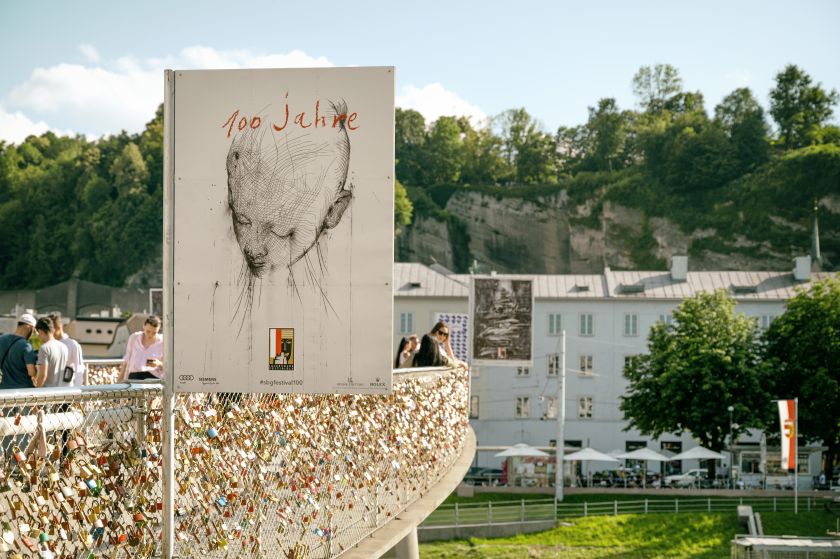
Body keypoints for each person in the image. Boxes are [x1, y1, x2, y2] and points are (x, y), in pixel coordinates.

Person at [0, 313, 38, 389]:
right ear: (29, 327)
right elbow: (31, 372)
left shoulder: (1, 339)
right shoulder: (26, 345)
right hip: (23, 390)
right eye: (33, 330)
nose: (33, 333)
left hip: (4, 389)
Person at [120, 315, 164, 381]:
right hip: (134, 376)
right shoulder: (134, 337)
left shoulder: (163, 342)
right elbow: (127, 359)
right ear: (143, 326)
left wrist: (159, 363)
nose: (150, 335)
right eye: (148, 331)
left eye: (154, 333)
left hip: (153, 378)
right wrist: (120, 379)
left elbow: (168, 365)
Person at [48, 312, 86, 386]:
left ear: (59, 327)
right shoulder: (48, 344)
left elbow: (79, 367)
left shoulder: (73, 344)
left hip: (67, 388)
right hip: (50, 388)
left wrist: (77, 388)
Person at [34, 316, 69, 388]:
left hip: (48, 393)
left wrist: (36, 391)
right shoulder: (64, 347)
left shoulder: (44, 348)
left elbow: (43, 376)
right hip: (62, 391)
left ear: (41, 331)